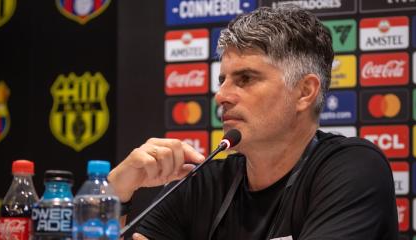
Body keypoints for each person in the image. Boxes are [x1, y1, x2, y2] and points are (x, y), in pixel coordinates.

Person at [108, 5, 399, 240]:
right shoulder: (203, 182)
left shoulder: (353, 169)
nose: (221, 96)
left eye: (245, 79)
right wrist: (116, 193)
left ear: (304, 92)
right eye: (222, 81)